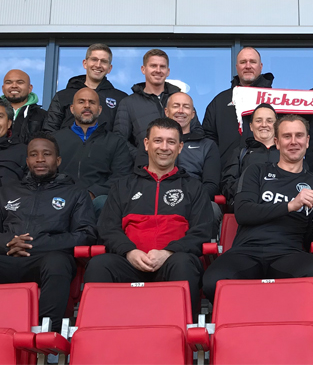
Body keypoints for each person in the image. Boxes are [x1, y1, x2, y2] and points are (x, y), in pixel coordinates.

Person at [0, 132, 96, 331]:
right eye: (33, 154)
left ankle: (46, 336)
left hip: (43, 261)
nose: (40, 159)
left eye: (46, 154)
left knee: (58, 262)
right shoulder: (5, 192)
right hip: (5, 258)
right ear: (27, 160)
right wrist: (7, 243)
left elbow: (86, 234)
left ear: (58, 160)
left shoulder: (75, 193)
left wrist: (35, 244)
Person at [83, 118, 214, 314]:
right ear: (146, 144)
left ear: (180, 147)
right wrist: (130, 252)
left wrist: (168, 253)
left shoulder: (194, 187)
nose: (164, 147)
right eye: (158, 140)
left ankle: (185, 335)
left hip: (173, 262)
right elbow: (108, 228)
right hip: (130, 262)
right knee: (100, 265)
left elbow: (202, 231)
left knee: (184, 263)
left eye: (171, 142)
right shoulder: (123, 186)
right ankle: (99, 334)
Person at [203, 115, 313, 300]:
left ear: (307, 141)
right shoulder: (256, 171)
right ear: (277, 142)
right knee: (213, 281)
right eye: (287, 136)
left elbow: (309, 238)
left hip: (289, 252)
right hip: (246, 251)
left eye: (299, 136)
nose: (294, 142)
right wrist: (290, 205)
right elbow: (243, 212)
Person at [54, 88, 132, 214]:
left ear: (100, 110)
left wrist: (94, 192)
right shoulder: (55, 140)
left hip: (98, 204)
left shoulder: (115, 142)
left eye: (92, 102)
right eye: (81, 102)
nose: (87, 105)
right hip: (61, 200)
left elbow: (121, 177)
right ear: (72, 109)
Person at [203, 47, 275, 178]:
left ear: (261, 66)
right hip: (228, 178)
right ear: (236, 67)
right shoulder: (220, 101)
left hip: (273, 177)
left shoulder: (277, 99)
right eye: (243, 62)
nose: (248, 66)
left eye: (252, 62)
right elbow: (208, 140)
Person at [114, 49, 182, 166]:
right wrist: (143, 157)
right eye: (153, 66)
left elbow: (195, 132)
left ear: (168, 71)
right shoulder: (128, 103)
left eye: (162, 66)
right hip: (144, 172)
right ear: (143, 69)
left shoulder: (180, 99)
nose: (158, 70)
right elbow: (119, 139)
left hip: (180, 170)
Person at [44, 44, 128, 132]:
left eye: (103, 61)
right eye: (94, 60)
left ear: (109, 68)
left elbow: (122, 136)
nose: (98, 65)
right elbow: (49, 132)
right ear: (85, 63)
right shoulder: (63, 96)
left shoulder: (120, 98)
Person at [220, 103, 280, 206]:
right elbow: (227, 185)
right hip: (248, 208)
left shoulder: (287, 151)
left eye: (269, 121)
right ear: (251, 126)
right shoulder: (240, 152)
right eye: (258, 120)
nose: (264, 124)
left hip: (282, 209)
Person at [167, 92, 220, 199]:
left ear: (193, 114)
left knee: (213, 209)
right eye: (176, 106)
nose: (180, 111)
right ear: (166, 112)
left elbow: (211, 185)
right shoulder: (154, 143)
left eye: (186, 107)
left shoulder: (207, 145)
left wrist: (186, 199)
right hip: (158, 200)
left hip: (194, 201)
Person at [1, 69, 46, 141]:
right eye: (9, 82)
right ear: (3, 88)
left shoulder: (43, 116)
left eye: (20, 82)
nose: (14, 86)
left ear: (30, 88)